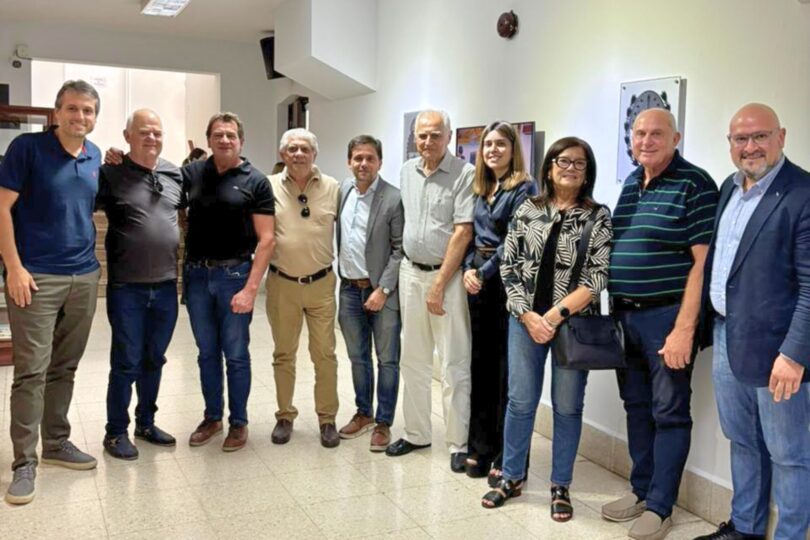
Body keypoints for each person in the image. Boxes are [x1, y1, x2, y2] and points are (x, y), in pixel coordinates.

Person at [481, 137, 612, 523]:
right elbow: (508, 265)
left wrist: (552, 317)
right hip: (524, 322)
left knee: (568, 407)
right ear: (550, 167)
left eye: (579, 163)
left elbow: (597, 277)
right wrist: (527, 316)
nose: (571, 168)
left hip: (573, 324)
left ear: (587, 173)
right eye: (563, 161)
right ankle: (511, 477)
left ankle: (560, 485)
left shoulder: (597, 216)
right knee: (520, 402)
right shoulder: (528, 209)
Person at [695, 104, 810, 540]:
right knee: (742, 439)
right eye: (740, 139)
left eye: (760, 136)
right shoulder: (729, 187)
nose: (750, 147)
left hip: (778, 350)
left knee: (789, 453)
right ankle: (745, 528)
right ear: (730, 144)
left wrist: (794, 355)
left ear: (781, 137)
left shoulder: (802, 193)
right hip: (728, 335)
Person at [603, 108, 718, 540]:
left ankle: (660, 506)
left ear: (676, 139)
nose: (646, 141)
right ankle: (641, 490)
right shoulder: (634, 181)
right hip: (626, 315)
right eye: (639, 133)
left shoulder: (695, 183)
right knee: (636, 406)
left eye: (656, 134)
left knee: (668, 412)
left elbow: (703, 264)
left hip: (666, 317)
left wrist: (685, 328)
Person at [0, 80, 102, 505]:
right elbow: (1, 208)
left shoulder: (95, 155)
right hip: (36, 278)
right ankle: (24, 462)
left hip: (84, 276)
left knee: (65, 366)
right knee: (31, 371)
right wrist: (14, 267)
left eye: (88, 110)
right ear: (57, 112)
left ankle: (56, 442)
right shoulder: (27, 149)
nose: (80, 116)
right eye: (72, 108)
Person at [385, 109, 474, 473]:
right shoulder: (407, 170)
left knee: (453, 362)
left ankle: (458, 442)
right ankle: (417, 433)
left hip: (446, 280)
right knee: (414, 359)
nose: (427, 141)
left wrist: (438, 286)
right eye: (421, 135)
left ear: (448, 137)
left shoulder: (464, 174)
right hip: (410, 272)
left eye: (435, 135)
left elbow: (463, 231)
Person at [184, 112, 276, 452]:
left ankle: (238, 422)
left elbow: (267, 240)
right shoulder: (193, 173)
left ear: (241, 141)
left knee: (235, 354)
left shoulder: (256, 181)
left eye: (231, 135)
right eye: (218, 135)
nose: (225, 140)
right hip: (196, 276)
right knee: (206, 353)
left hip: (235, 276)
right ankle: (213, 417)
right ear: (209, 140)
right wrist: (117, 158)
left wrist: (251, 289)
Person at [96, 109, 183, 460]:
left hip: (166, 287)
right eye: (144, 132)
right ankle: (115, 432)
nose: (151, 138)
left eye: (157, 132)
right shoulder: (110, 173)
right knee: (126, 361)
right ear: (127, 136)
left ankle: (146, 423)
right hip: (126, 288)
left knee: (154, 359)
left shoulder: (174, 173)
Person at [460, 121, 536, 483]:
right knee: (481, 367)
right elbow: (469, 234)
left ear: (513, 149)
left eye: (500, 144)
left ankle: (507, 456)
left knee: (507, 372)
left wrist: (483, 272)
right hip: (477, 281)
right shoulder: (481, 187)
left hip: (507, 282)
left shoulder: (524, 187)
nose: (493, 150)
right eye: (488, 144)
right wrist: (466, 269)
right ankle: (480, 446)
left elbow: (515, 239)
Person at [266, 128, 342, 448]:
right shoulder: (268, 186)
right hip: (282, 284)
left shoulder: (333, 187)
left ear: (315, 154)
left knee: (324, 354)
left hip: (321, 285)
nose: (299, 154)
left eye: (305, 149)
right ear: (283, 154)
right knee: (284, 353)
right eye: (292, 149)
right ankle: (285, 415)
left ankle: (327, 419)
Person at [336, 135, 404, 452]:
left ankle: (383, 422)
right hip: (349, 290)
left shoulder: (393, 198)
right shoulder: (343, 192)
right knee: (357, 357)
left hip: (381, 294)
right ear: (349, 161)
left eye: (370, 158)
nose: (363, 163)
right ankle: (363, 413)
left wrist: (383, 288)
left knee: (387, 360)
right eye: (358, 158)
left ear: (379, 162)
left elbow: (399, 249)